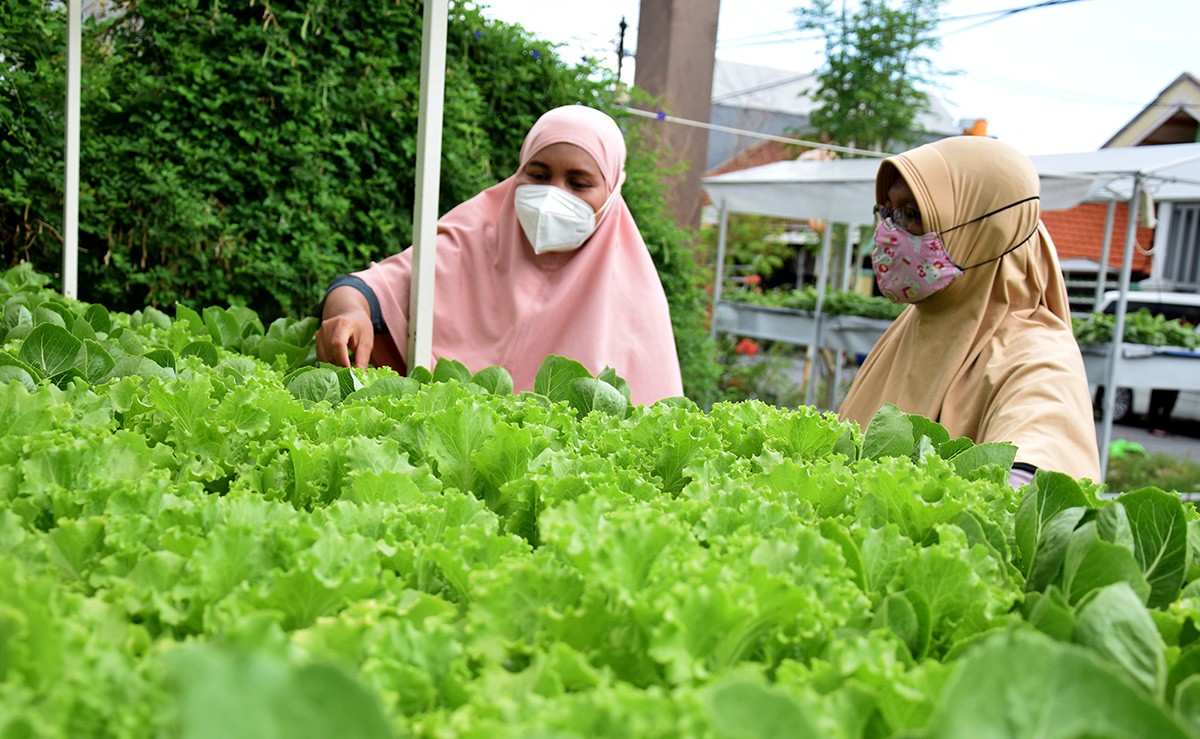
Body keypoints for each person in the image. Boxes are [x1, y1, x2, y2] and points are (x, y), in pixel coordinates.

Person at [315, 105, 684, 406]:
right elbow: (364, 288)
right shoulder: (474, 235)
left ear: (612, 189)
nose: (553, 195)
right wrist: (349, 314)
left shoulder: (636, 298)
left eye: (579, 183)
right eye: (538, 175)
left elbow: (651, 426)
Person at [838, 136, 1102, 486]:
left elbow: (1037, 481)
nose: (888, 232)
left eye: (911, 215)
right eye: (886, 212)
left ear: (986, 231)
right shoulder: (913, 325)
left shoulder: (1037, 357)